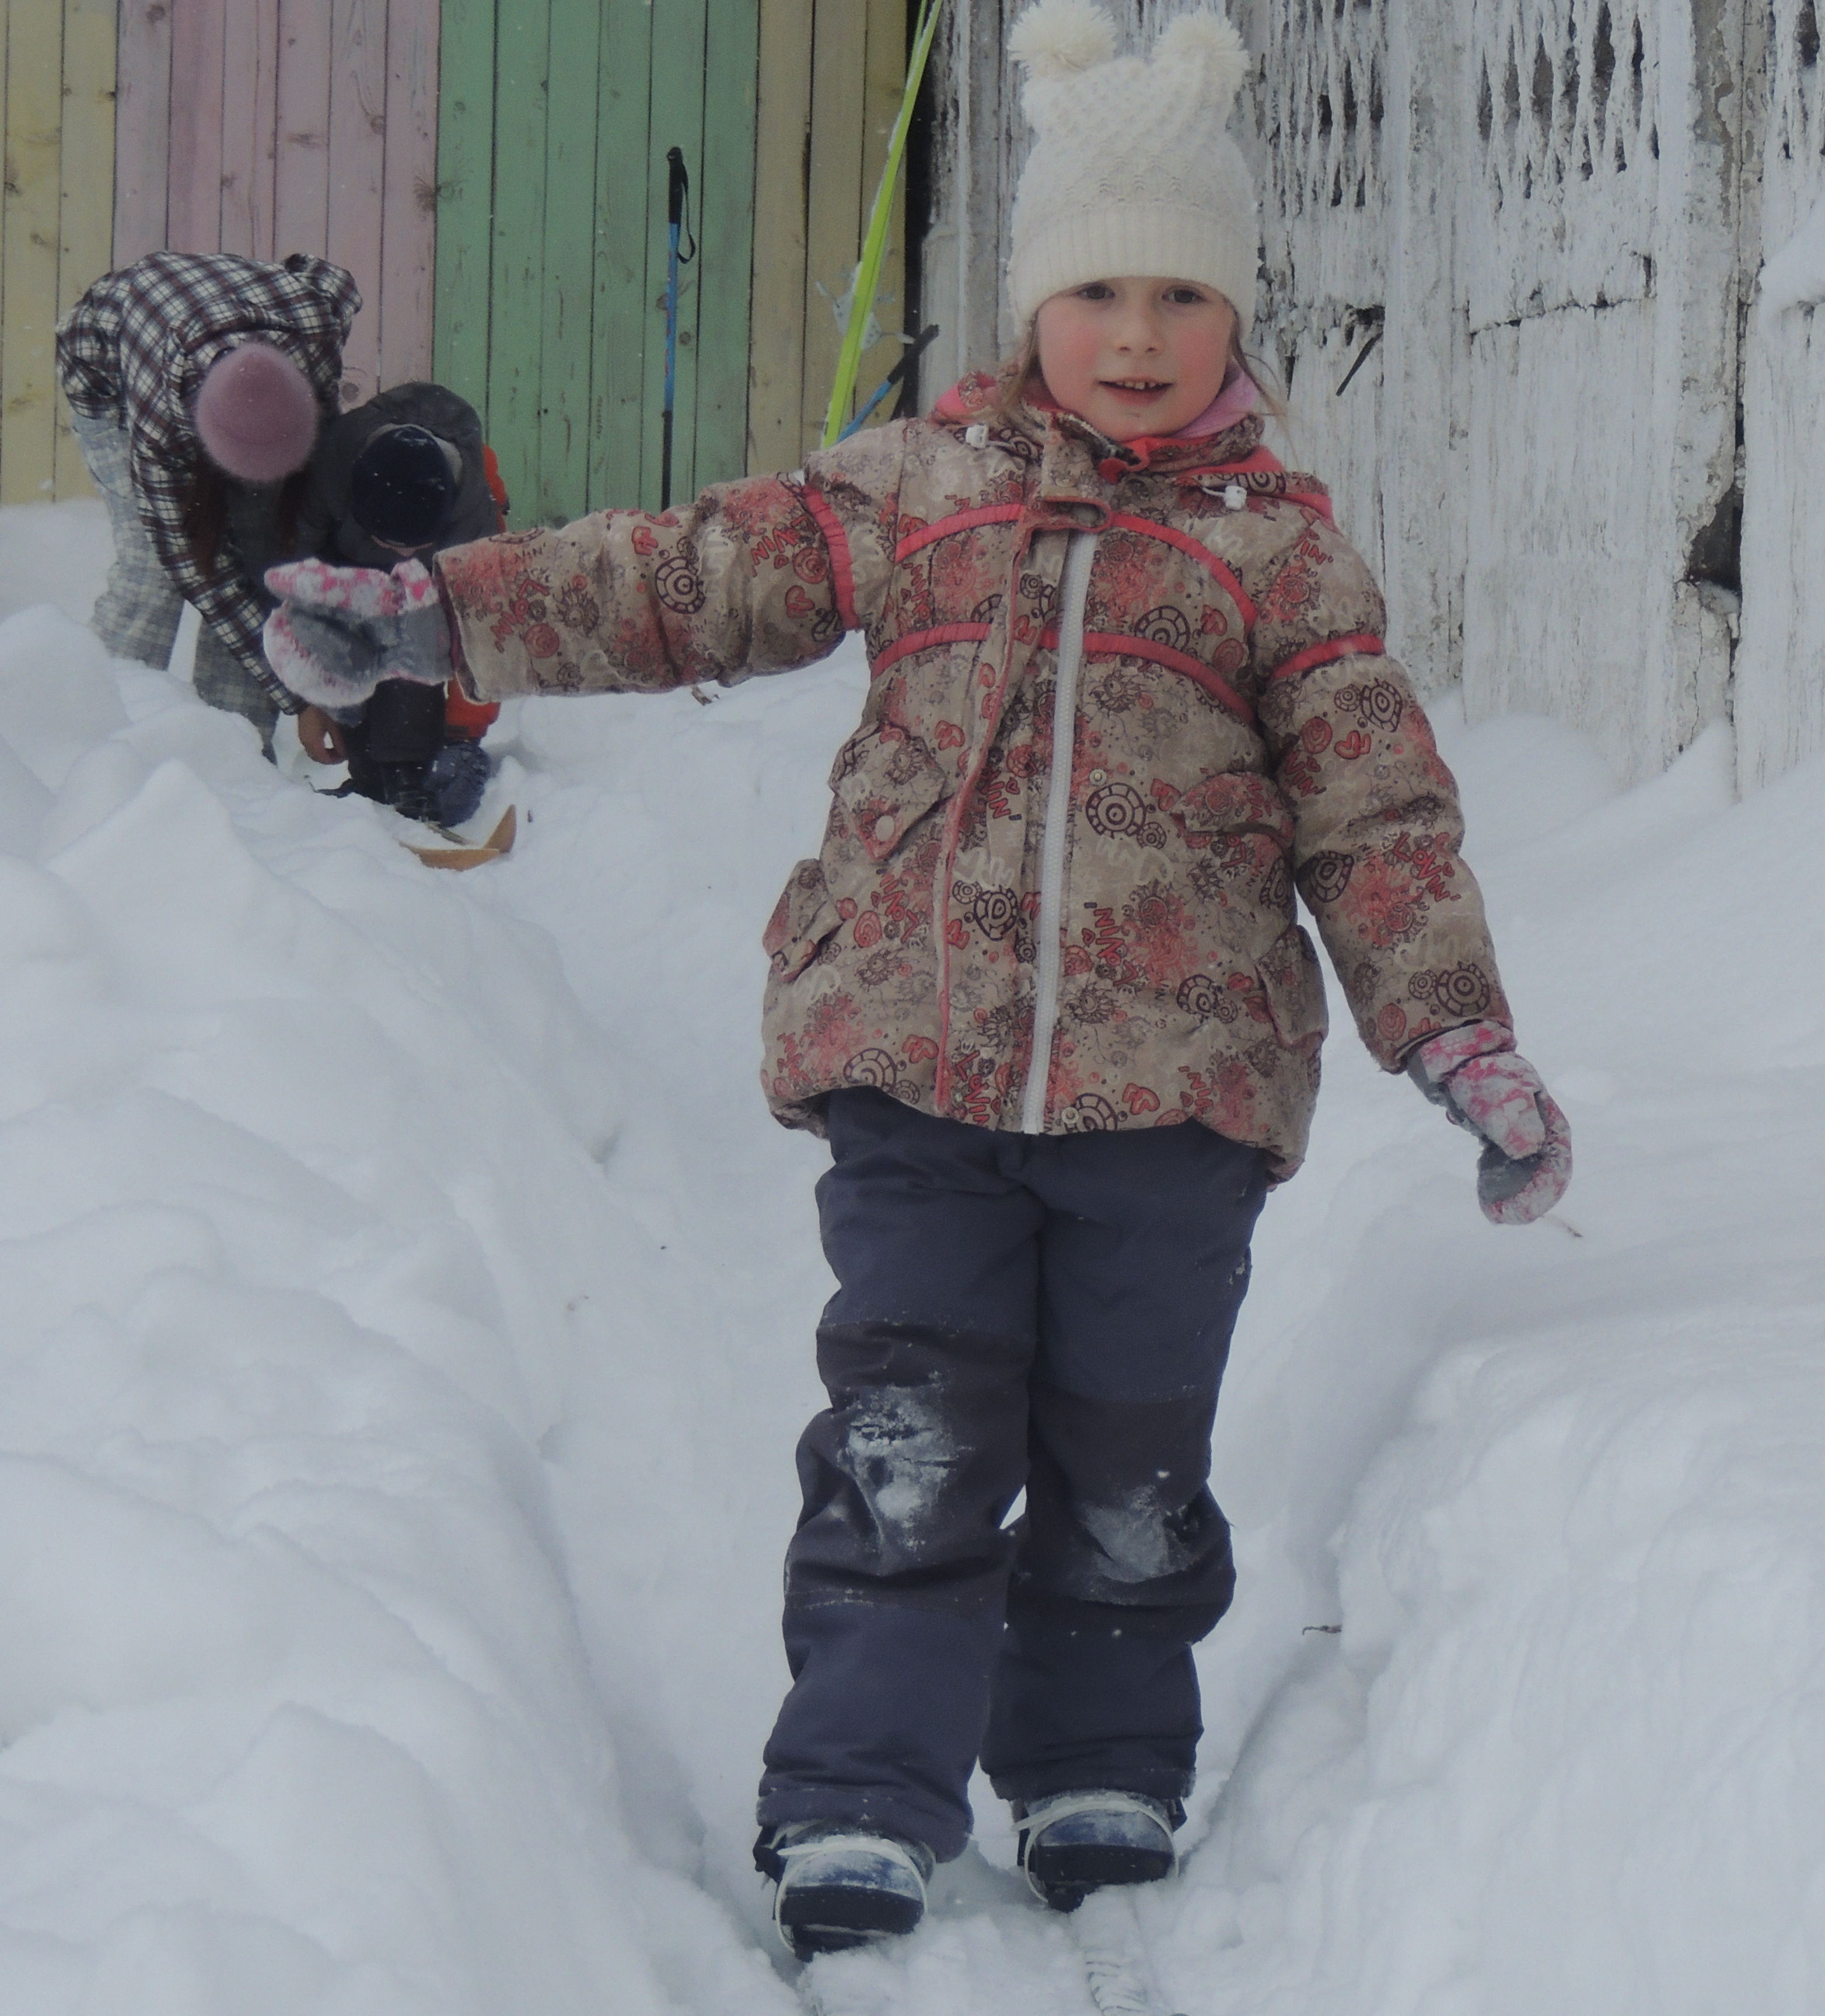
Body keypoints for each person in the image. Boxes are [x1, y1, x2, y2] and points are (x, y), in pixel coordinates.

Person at [260, 0, 1571, 1959]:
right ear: (1035, 302)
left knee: (1129, 1458)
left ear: (1237, 312)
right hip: (916, 1071)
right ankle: (858, 1797)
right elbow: (683, 576)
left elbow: (1377, 817)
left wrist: (1455, 1032)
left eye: (1181, 293)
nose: (1138, 333)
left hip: (1176, 1101)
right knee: (907, 1448)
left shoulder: (1281, 559)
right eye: (1098, 289)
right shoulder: (921, 485)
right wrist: (433, 614)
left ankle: (1097, 1763)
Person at [54, 251, 359, 753]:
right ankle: (95, 746)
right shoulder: (161, 426)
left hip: (222, 313)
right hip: (111, 374)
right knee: (152, 578)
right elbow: (201, 573)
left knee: (262, 565)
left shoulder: (315, 330)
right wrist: (297, 694)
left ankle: (233, 758)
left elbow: (333, 280)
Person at [291, 385, 508, 827]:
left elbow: (485, 635)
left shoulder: (476, 525)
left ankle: (407, 772)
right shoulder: (332, 474)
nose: (403, 556)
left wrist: (461, 736)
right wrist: (310, 700)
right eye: (389, 543)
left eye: (416, 546)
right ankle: (371, 777)